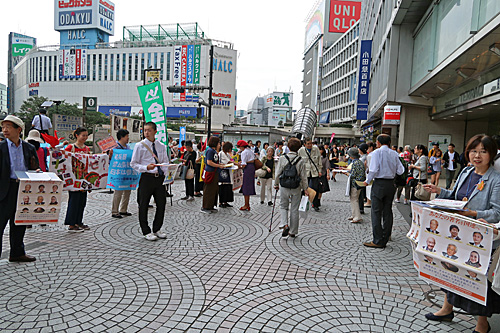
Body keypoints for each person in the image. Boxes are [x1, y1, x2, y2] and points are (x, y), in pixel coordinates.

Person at [423, 134, 500, 333]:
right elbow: (455, 197)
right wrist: (439, 191)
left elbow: (497, 211)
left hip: (478, 238)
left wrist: (473, 213)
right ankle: (447, 309)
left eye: (483, 151)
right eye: (474, 151)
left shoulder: (496, 179)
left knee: (476, 278)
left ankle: (482, 324)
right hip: (456, 233)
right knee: (450, 269)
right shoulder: (466, 171)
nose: (477, 155)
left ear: (491, 154)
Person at [0, 115, 39, 262]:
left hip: (23, 189)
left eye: (8, 127)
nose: (5, 130)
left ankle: (17, 253)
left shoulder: (28, 147)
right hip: (4, 189)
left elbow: (35, 167)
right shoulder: (1, 147)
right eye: (3, 127)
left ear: (19, 130)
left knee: (19, 222)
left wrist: (37, 172)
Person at [362, 134, 404, 248]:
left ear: (378, 143)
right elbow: (401, 170)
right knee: (387, 210)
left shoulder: (376, 153)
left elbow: (373, 169)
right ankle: (386, 236)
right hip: (391, 184)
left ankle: (378, 240)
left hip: (379, 183)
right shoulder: (395, 153)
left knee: (376, 211)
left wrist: (367, 181)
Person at [130, 122, 169, 241]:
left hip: (159, 179)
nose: (146, 133)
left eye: (149, 130)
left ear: (155, 131)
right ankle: (146, 231)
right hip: (147, 177)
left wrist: (168, 176)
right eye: (145, 130)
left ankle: (157, 228)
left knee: (161, 204)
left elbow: (165, 162)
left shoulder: (161, 146)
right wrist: (146, 167)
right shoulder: (139, 145)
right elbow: (133, 163)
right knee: (143, 204)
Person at [274, 138, 309, 238]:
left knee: (283, 206)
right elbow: (303, 176)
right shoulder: (301, 160)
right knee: (294, 209)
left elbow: (278, 173)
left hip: (284, 185)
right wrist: (305, 188)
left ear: (288, 147)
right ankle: (293, 231)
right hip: (296, 186)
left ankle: (284, 224)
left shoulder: (282, 158)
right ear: (299, 148)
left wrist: (276, 184)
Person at [64, 127, 92, 232]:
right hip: (74, 179)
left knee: (82, 201)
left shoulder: (87, 149)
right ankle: (71, 224)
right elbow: (61, 158)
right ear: (77, 135)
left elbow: (91, 162)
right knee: (74, 201)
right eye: (83, 135)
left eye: (86, 135)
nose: (85, 137)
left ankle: (79, 222)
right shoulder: (70, 147)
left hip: (84, 179)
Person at [111, 129, 133, 218]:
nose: (128, 138)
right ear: (122, 137)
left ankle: (123, 210)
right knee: (118, 192)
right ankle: (114, 211)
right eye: (127, 136)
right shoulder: (114, 147)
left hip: (127, 172)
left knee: (127, 191)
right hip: (118, 173)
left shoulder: (128, 147)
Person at [201, 136, 224, 213]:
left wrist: (219, 164)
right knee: (209, 190)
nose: (219, 144)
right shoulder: (210, 151)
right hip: (210, 172)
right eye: (218, 143)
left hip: (214, 172)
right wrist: (219, 166)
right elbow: (209, 162)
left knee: (214, 190)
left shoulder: (213, 151)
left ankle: (211, 205)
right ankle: (206, 206)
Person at [298, 138, 322, 211]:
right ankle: (301, 204)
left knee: (316, 188)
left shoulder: (316, 149)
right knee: (304, 188)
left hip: (314, 171)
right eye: (308, 144)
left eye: (311, 143)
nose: (309, 145)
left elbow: (319, 160)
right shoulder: (301, 151)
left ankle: (315, 204)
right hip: (305, 172)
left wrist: (319, 170)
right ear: (304, 144)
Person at [347, 147, 365, 223]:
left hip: (355, 184)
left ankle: (357, 216)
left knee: (354, 200)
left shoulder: (355, 163)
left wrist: (347, 173)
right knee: (355, 199)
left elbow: (353, 174)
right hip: (359, 184)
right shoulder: (360, 162)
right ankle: (354, 215)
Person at [238, 140, 256, 211]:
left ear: (242, 146)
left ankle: (246, 204)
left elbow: (244, 164)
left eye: (239, 147)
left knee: (246, 187)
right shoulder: (250, 151)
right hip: (252, 168)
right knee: (248, 186)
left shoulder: (244, 152)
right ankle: (247, 204)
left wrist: (239, 166)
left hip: (247, 169)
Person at [218, 141, 234, 208]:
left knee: (227, 187)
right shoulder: (221, 153)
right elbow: (228, 161)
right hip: (223, 172)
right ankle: (221, 202)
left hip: (227, 171)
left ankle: (226, 201)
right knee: (222, 187)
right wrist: (236, 164)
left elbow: (231, 160)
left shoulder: (227, 154)